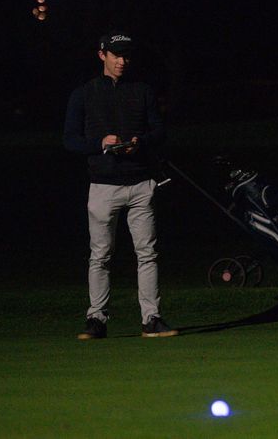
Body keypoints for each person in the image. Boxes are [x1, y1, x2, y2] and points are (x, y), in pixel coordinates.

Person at [63, 31, 177, 339]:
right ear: (103, 55)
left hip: (140, 181)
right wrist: (99, 144)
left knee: (147, 253)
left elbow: (159, 131)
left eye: (126, 56)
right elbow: (70, 140)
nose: (122, 62)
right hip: (103, 185)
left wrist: (140, 142)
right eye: (116, 56)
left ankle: (151, 319)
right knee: (100, 255)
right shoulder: (84, 94)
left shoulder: (142, 90)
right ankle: (97, 319)